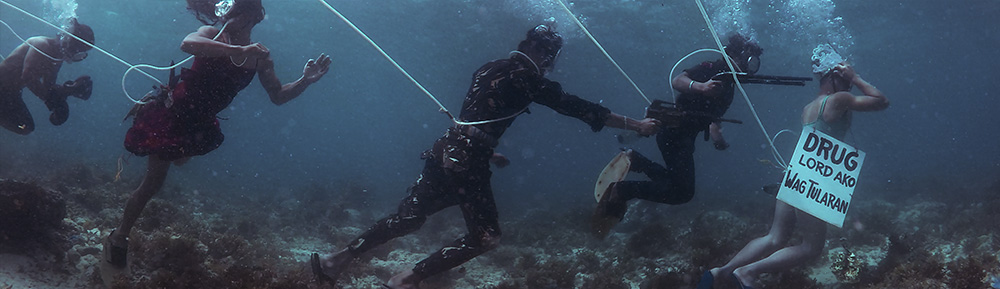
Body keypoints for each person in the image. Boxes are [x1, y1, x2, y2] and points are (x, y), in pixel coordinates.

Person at [310, 24, 660, 289]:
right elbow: (574, 106)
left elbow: (478, 115)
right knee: (486, 236)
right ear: (543, 54)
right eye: (550, 58)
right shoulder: (527, 77)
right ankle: (407, 279)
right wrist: (636, 124)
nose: (550, 65)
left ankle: (333, 261)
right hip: (466, 161)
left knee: (409, 218)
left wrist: (488, 151)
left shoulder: (491, 66)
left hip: (447, 149)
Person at [101, 0, 332, 280]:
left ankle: (176, 157)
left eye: (234, 14)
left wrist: (305, 80)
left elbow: (278, 95)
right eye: (227, 13)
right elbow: (188, 44)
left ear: (252, 17)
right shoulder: (211, 34)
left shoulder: (260, 57)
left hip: (200, 124)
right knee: (153, 183)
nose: (226, 18)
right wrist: (237, 48)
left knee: (175, 164)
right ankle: (119, 237)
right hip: (173, 115)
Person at [696, 44, 888, 289]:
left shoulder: (809, 107)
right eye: (844, 74)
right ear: (832, 75)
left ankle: (720, 273)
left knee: (775, 237)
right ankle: (748, 272)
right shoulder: (839, 99)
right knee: (811, 248)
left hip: (796, 173)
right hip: (814, 178)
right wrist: (857, 78)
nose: (848, 79)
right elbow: (881, 101)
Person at [592, 34, 763, 237]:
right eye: (749, 59)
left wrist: (718, 138)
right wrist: (701, 86)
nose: (750, 65)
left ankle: (636, 160)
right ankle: (622, 191)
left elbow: (712, 116)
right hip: (674, 133)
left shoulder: (729, 84)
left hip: (684, 137)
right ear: (737, 55)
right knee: (682, 192)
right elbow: (678, 80)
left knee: (675, 184)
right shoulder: (712, 68)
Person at [0, 17, 94, 135]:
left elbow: (48, 86)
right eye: (79, 50)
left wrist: (67, 91)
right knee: (24, 127)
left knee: (25, 127)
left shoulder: (57, 58)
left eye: (81, 54)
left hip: (11, 93)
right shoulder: (41, 45)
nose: (77, 55)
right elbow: (28, 76)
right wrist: (50, 100)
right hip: (2, 87)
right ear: (71, 42)